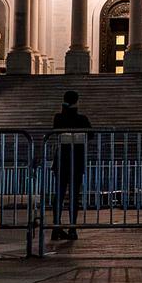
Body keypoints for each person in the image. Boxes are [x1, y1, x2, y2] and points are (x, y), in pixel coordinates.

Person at [49, 90, 91, 242]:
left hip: (61, 160)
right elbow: (90, 134)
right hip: (76, 160)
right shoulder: (82, 119)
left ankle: (56, 227)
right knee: (74, 196)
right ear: (77, 102)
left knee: (59, 194)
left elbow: (55, 130)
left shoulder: (59, 117)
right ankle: (72, 228)